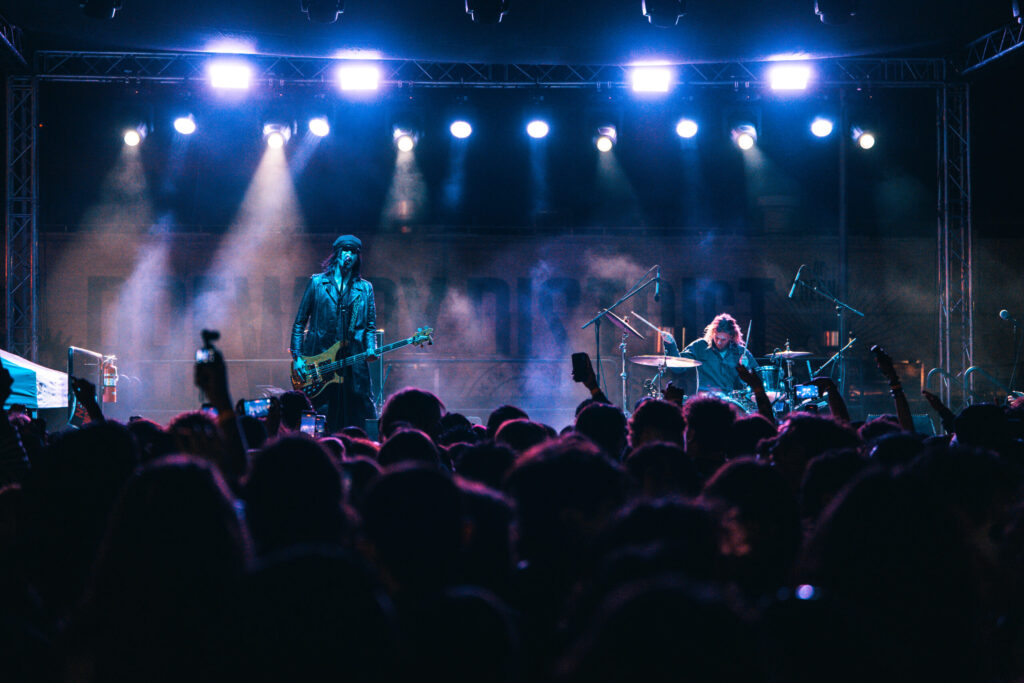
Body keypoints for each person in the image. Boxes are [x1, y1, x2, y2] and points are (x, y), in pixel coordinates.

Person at [291, 235, 377, 434]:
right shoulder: (317, 283)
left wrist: (371, 348)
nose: (349, 255)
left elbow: (370, 326)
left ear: (358, 258)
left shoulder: (364, 288)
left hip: (353, 363)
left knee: (358, 417)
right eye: (345, 251)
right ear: (337, 253)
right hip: (320, 362)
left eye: (353, 252)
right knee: (319, 418)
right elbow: (299, 323)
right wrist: (298, 358)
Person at [661, 313, 757, 394]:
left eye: (723, 339)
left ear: (731, 337)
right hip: (706, 400)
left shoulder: (741, 352)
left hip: (732, 402)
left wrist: (746, 369)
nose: (719, 342)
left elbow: (757, 380)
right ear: (712, 333)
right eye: (716, 338)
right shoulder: (700, 346)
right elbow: (678, 368)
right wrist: (671, 345)